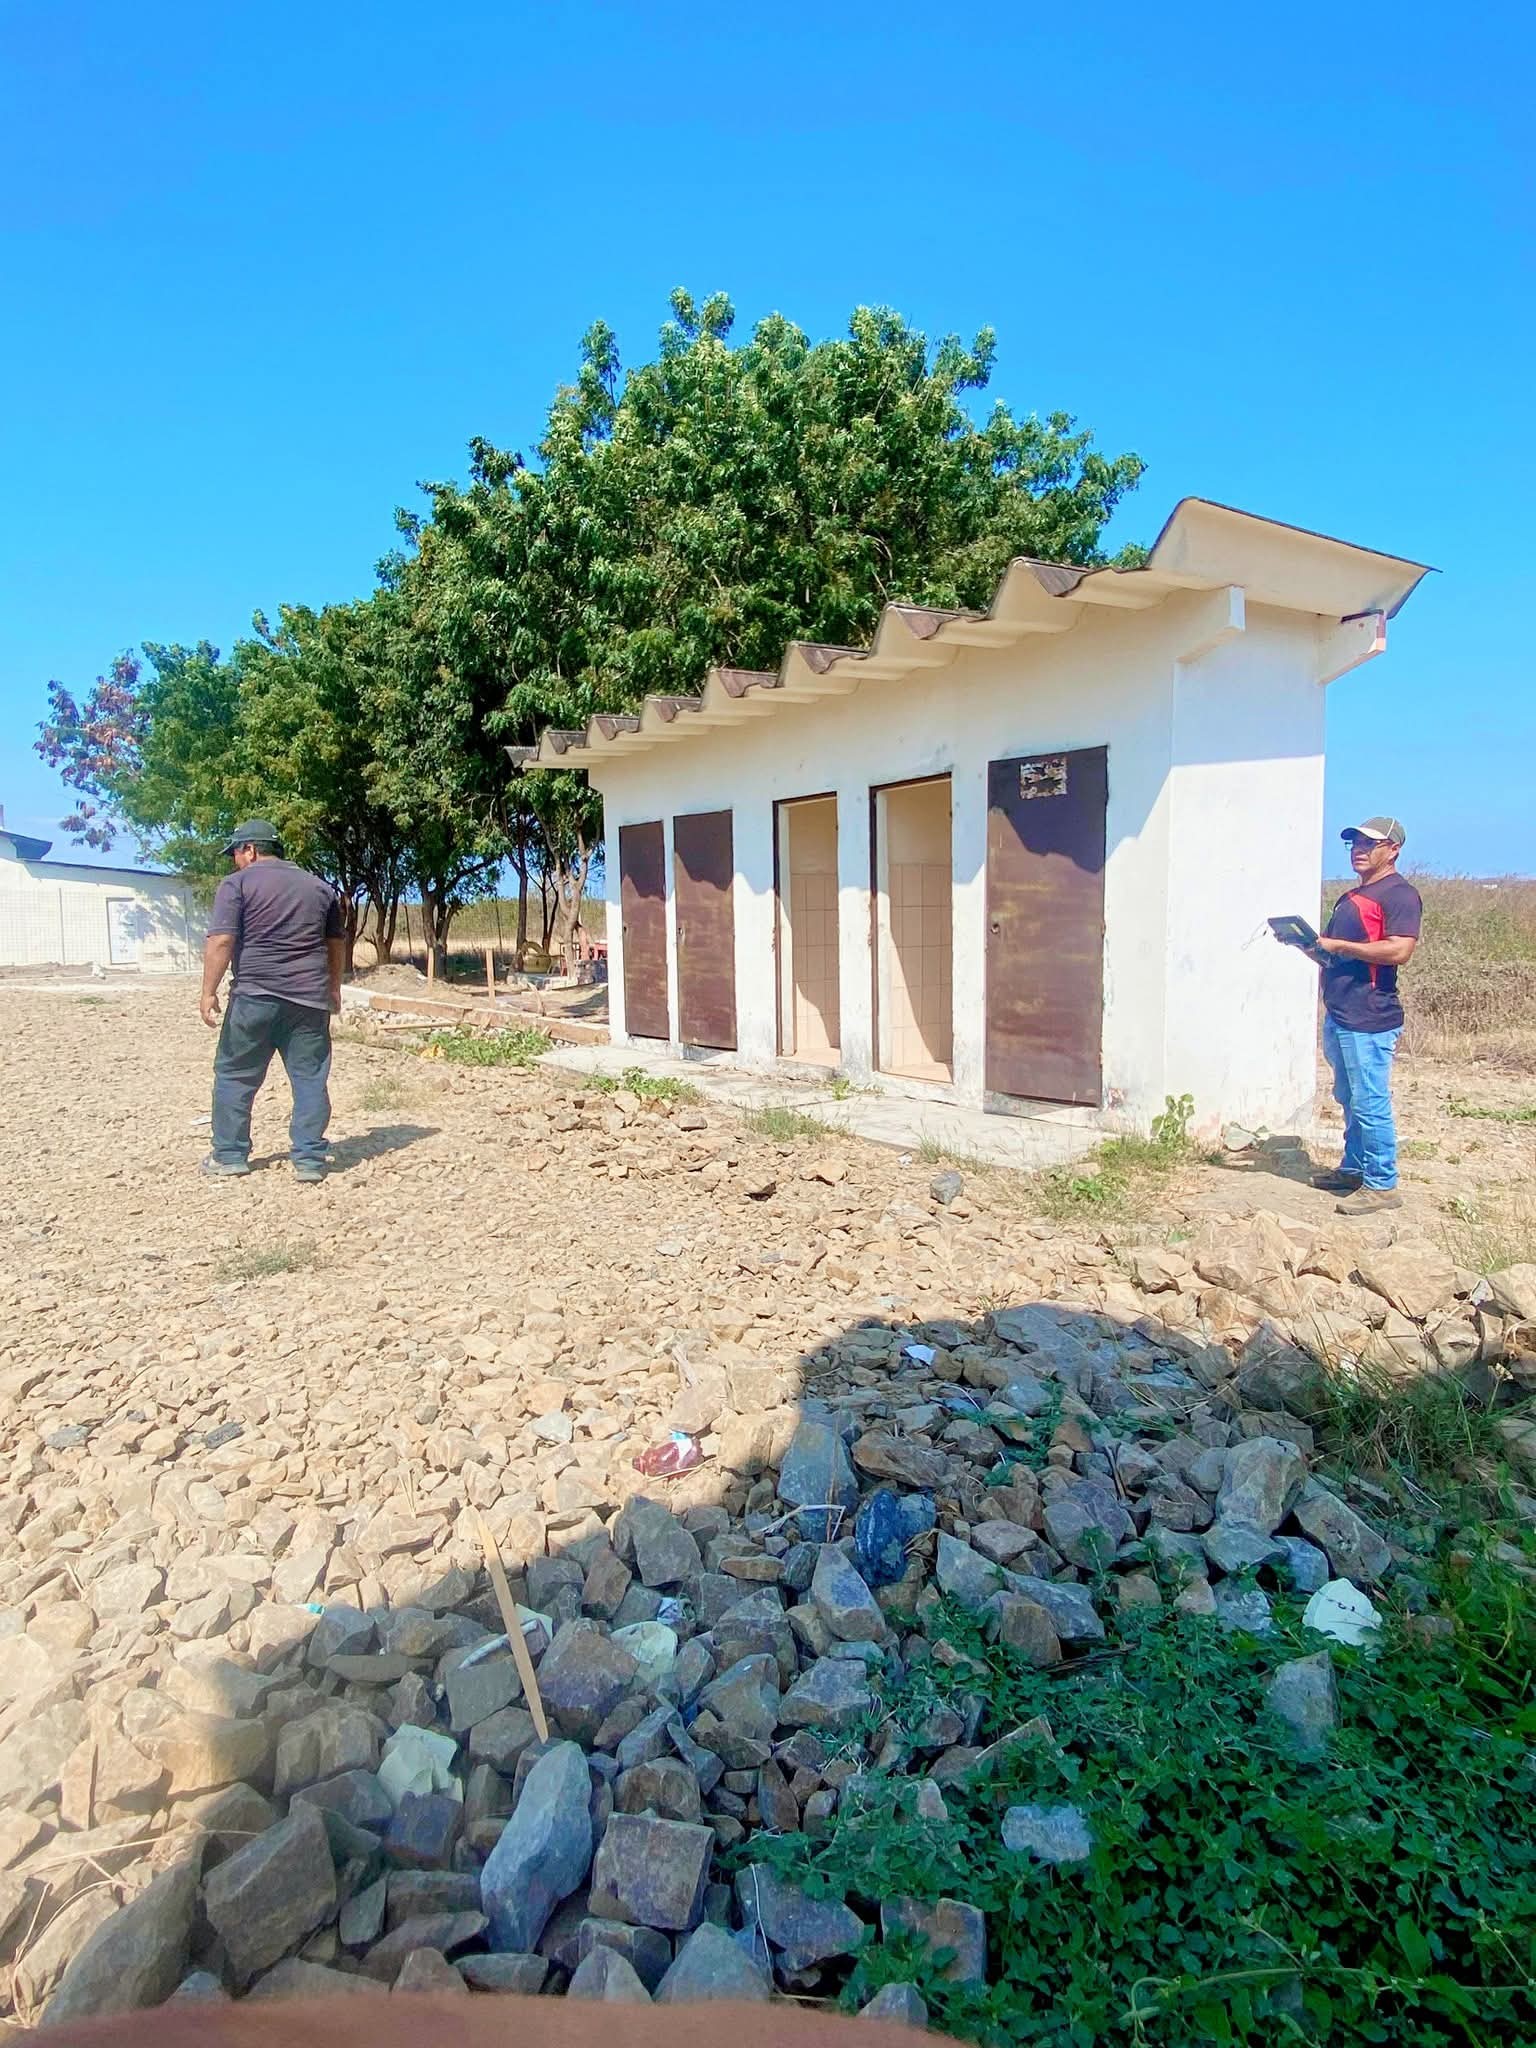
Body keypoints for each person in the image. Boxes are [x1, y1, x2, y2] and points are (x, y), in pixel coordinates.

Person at [199, 819, 345, 1183]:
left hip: (254, 997)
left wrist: (208, 991)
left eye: (235, 853)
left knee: (235, 1074)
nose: (235, 861)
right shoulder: (320, 887)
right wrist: (334, 988)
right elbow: (335, 944)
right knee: (309, 1078)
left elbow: (221, 940)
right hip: (309, 1000)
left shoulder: (237, 884)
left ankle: (229, 1156)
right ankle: (309, 1159)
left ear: (250, 850)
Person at [1309, 815, 1422, 1215]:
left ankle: (1382, 1184)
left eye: (1369, 844)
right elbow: (1337, 951)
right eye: (1354, 843)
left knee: (1370, 1100)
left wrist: (1340, 946)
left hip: (1369, 1015)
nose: (1358, 850)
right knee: (1348, 1096)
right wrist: (1312, 947)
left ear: (1393, 850)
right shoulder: (1351, 897)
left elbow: (1399, 950)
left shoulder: (1399, 895)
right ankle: (1354, 1168)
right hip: (1341, 1012)